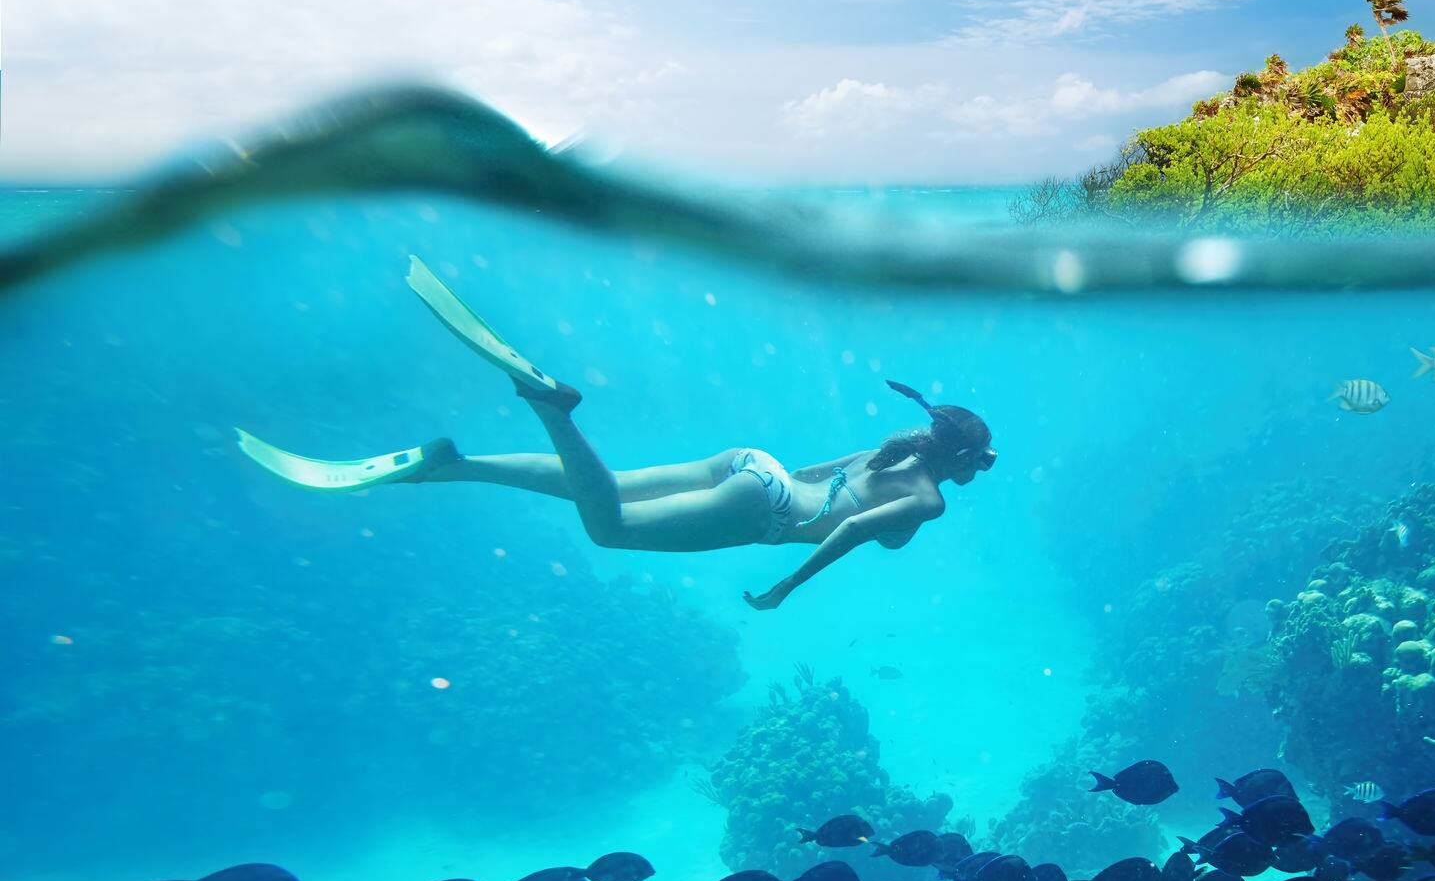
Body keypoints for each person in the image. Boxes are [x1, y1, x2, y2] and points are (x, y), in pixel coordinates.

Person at [235, 257, 995, 610]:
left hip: (754, 465)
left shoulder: (888, 449)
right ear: (961, 460)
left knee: (605, 486)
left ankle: (453, 463)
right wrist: (786, 587)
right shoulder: (930, 500)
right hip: (764, 512)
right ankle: (552, 409)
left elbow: (804, 474)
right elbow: (850, 531)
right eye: (978, 464)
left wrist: (760, 489)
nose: (975, 474)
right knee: (611, 528)